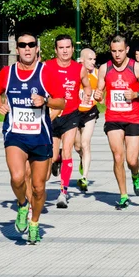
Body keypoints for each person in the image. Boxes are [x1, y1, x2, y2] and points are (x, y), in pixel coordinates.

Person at [0, 32, 65, 245]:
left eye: (31, 45)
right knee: (17, 177)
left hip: (40, 136)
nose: (27, 48)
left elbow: (62, 102)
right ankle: (22, 204)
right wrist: (0, 105)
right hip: (15, 133)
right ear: (17, 49)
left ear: (37, 48)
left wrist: (45, 101)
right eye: (23, 45)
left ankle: (34, 222)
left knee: (39, 187)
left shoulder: (46, 73)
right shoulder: (8, 72)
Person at [94, 35, 139, 210]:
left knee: (131, 160)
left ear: (127, 50)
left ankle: (135, 175)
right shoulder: (104, 68)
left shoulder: (135, 68)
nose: (117, 55)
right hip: (113, 119)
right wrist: (97, 95)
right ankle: (123, 195)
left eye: (120, 51)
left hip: (133, 119)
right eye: (113, 51)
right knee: (118, 157)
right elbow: (99, 91)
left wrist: (136, 95)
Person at [45, 35, 92, 209]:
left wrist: (87, 94)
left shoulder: (79, 68)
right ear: (56, 50)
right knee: (49, 157)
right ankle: (54, 161)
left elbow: (86, 85)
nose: (65, 51)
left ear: (73, 49)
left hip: (71, 115)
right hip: (51, 115)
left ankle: (63, 192)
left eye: (67, 47)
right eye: (61, 48)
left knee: (67, 152)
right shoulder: (47, 67)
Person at [74, 48, 99, 192]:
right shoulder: (75, 71)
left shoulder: (96, 74)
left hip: (90, 112)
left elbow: (102, 92)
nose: (93, 62)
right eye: (90, 59)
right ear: (82, 60)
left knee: (85, 143)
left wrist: (99, 96)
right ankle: (83, 159)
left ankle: (84, 177)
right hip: (75, 112)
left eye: (94, 59)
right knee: (77, 146)